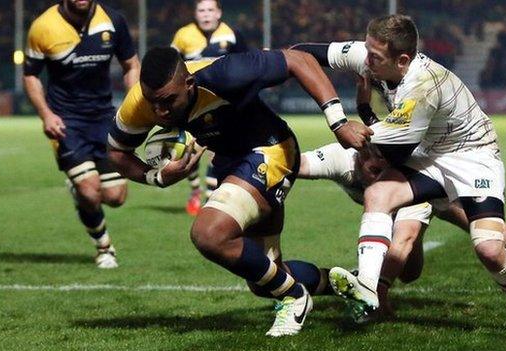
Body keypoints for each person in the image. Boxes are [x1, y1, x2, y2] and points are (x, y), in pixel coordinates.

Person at [292, 14, 506, 333]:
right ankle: (368, 288)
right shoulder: (374, 56)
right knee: (378, 193)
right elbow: (305, 52)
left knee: (489, 249)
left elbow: (394, 151)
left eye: (374, 56)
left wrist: (347, 121)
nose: (366, 60)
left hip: (473, 155)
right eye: (366, 50)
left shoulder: (421, 88)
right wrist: (272, 59)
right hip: (432, 155)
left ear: (403, 60)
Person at [107, 47, 371, 337]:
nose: (160, 112)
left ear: (189, 84)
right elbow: (117, 153)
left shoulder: (225, 73)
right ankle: (345, 283)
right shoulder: (140, 103)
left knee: (209, 234)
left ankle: (295, 297)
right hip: (232, 163)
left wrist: (339, 122)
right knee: (263, 279)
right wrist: (156, 177)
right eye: (152, 102)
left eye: (168, 101)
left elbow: (299, 59)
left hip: (271, 150)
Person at [298, 141, 506, 320]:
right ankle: (376, 286)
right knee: (409, 272)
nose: (376, 163)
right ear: (358, 151)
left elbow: (402, 239)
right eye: (370, 157)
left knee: (492, 233)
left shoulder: (401, 170)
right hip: (392, 205)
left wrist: (379, 295)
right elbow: (294, 164)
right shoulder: (340, 156)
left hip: (427, 188)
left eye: (384, 159)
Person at [23, 0, 140, 269]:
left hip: (103, 118)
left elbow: (131, 64)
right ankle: (104, 248)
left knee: (115, 197)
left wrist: (130, 103)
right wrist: (46, 115)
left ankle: (78, 190)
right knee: (90, 191)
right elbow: (30, 75)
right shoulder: (43, 26)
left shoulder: (113, 20)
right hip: (66, 121)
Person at [171, 0, 249, 216]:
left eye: (210, 10)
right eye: (201, 10)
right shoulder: (183, 35)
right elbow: (171, 68)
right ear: (195, 13)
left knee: (218, 151)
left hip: (222, 104)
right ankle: (196, 190)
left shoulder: (232, 35)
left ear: (219, 13)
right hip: (190, 106)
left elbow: (246, 65)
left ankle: (210, 198)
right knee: (186, 151)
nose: (206, 15)